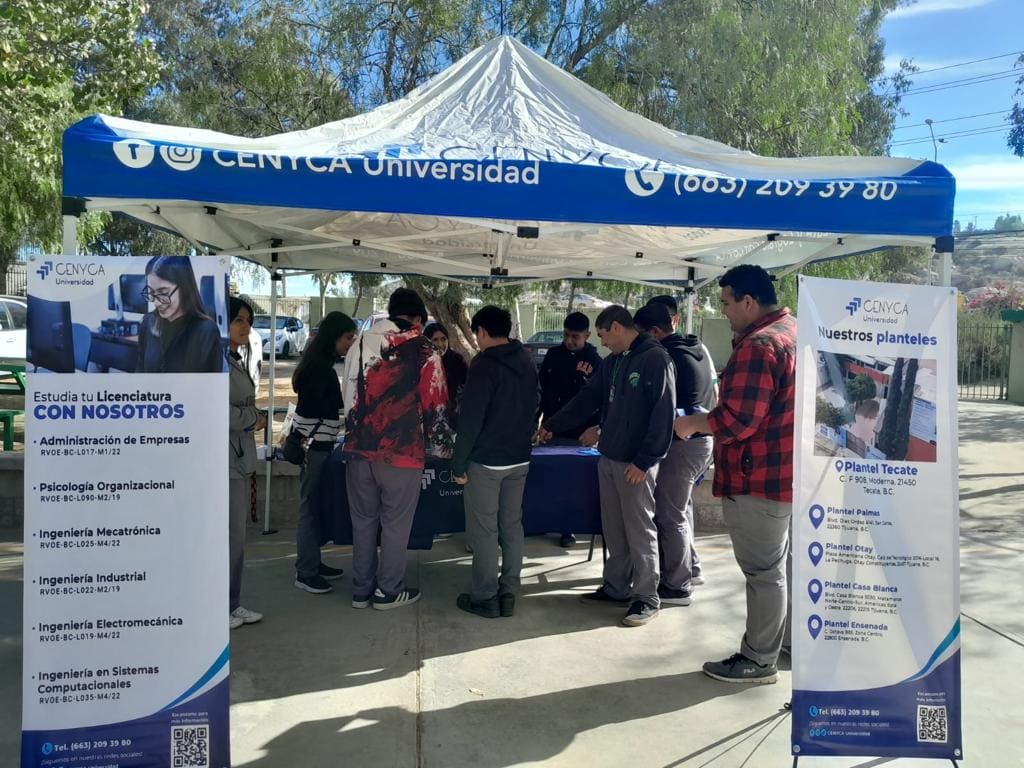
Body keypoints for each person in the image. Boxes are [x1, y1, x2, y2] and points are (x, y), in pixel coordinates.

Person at [675, 265, 796, 685]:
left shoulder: (759, 346)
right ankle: (789, 644)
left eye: (725, 302)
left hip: (758, 478)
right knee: (784, 568)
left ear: (748, 301)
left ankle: (759, 659)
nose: (723, 311)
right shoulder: (795, 332)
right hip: (791, 475)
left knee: (764, 573)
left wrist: (693, 424)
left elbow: (737, 420)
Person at [539, 306, 675, 627]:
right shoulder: (613, 363)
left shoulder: (655, 359)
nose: (600, 344)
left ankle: (645, 597)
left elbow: (663, 415)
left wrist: (644, 461)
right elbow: (588, 398)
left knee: (639, 531)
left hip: (635, 464)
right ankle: (616, 588)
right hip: (609, 457)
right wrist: (553, 424)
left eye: (601, 336)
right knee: (614, 530)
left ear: (616, 327)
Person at [341, 288, 453, 610]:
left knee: (362, 522)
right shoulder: (425, 349)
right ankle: (388, 590)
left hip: (358, 450)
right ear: (418, 318)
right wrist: (444, 450)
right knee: (395, 524)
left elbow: (348, 396)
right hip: (402, 454)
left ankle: (361, 590)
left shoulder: (358, 344)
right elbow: (437, 407)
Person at [450, 306, 539, 619]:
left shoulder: (484, 364)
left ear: (483, 332)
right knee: (512, 527)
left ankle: (485, 596)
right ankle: (509, 590)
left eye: (477, 334)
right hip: (519, 460)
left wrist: (458, 464)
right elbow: (535, 405)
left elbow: (470, 419)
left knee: (485, 531)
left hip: (486, 462)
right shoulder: (526, 360)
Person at [633, 302, 715, 607]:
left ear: (654, 331)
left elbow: (662, 407)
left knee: (670, 514)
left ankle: (678, 586)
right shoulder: (696, 347)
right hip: (701, 441)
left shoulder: (668, 357)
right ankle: (690, 569)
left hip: (684, 443)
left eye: (643, 335)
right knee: (681, 508)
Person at [291, 311, 358, 594]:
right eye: (347, 337)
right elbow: (310, 410)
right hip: (315, 447)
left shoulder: (320, 365)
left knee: (315, 506)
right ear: (333, 337)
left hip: (321, 445)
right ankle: (306, 571)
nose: (350, 343)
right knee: (309, 509)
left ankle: (312, 562)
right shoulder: (319, 370)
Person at [537, 311, 603, 548]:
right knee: (549, 480)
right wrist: (538, 421)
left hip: (580, 434)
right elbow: (542, 391)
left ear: (586, 335)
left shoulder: (595, 362)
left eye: (575, 336)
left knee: (572, 485)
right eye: (566, 335)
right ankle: (545, 521)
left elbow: (601, 399)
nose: (570, 341)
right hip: (552, 428)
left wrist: (597, 428)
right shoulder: (554, 355)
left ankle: (568, 528)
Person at [227, 297, 265, 630]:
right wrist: (252, 417)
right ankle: (225, 605)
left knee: (236, 536)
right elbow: (217, 410)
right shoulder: (214, 362)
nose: (246, 325)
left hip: (238, 458)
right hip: (225, 459)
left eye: (249, 320)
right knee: (230, 537)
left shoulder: (234, 358)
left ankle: (231, 602)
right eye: (239, 319)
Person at [136, 256, 223, 373]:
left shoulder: (206, 331)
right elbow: (140, 370)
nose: (156, 302)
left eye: (163, 293)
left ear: (184, 288)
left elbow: (212, 386)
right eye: (151, 292)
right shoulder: (148, 322)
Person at [423, 322, 469, 423]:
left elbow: (467, 388)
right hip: (427, 420)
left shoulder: (457, 361)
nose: (440, 344)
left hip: (452, 420)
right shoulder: (421, 363)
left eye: (443, 339)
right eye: (435, 340)